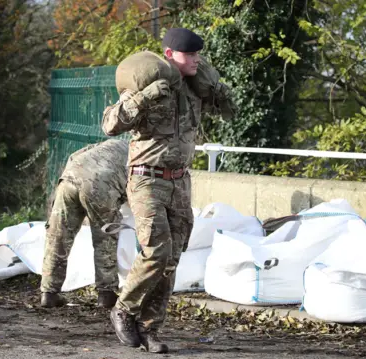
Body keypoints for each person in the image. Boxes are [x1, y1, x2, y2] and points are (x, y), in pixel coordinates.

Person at [101, 28, 237, 353]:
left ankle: (149, 329)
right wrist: (146, 97)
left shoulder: (195, 90)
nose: (196, 59)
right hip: (147, 178)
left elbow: (231, 111)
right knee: (157, 251)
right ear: (168, 55)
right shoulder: (148, 84)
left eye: (198, 54)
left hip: (180, 181)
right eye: (189, 54)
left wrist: (216, 87)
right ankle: (123, 308)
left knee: (171, 260)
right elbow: (109, 124)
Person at [40, 139, 129, 309]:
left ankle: (48, 293)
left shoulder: (109, 144)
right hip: (101, 183)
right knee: (105, 238)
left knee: (58, 236)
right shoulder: (141, 156)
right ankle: (106, 294)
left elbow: (75, 156)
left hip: (69, 177)